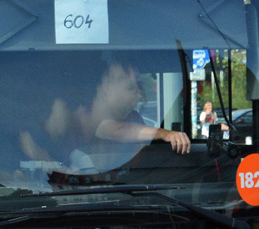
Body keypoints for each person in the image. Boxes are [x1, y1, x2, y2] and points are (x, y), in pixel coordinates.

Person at [20, 62, 191, 173]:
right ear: (108, 88)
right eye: (130, 87)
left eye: (139, 86)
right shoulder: (91, 111)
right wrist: (166, 134)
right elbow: (117, 131)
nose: (139, 93)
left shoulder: (135, 118)